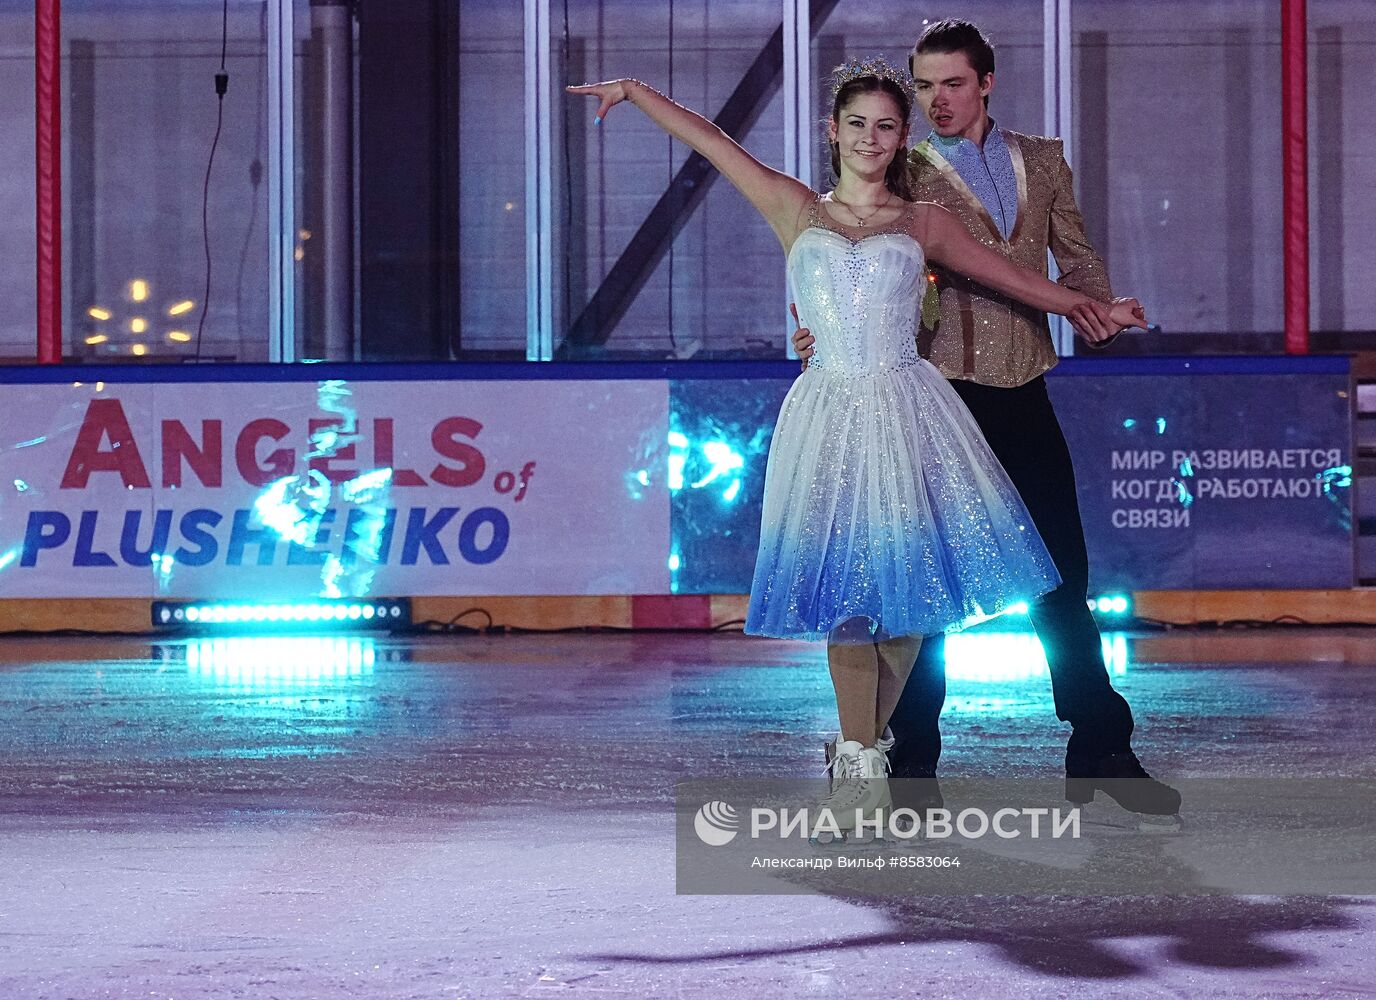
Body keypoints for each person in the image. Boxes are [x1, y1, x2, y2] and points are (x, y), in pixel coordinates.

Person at [568, 58, 1145, 834]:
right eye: (856, 124)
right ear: (831, 131)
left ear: (901, 136)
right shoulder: (796, 209)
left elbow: (1011, 278)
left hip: (910, 411)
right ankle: (858, 754)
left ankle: (869, 750)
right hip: (830, 416)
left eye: (884, 125)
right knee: (848, 604)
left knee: (905, 606)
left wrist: (1086, 304)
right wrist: (637, 92)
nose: (870, 138)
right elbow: (712, 143)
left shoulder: (924, 223)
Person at [792, 20, 1182, 819]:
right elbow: (852, 255)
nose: (937, 100)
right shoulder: (902, 171)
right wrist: (822, 328)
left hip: (1023, 384)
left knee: (1061, 576)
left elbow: (1073, 253)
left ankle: (1100, 745)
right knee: (923, 587)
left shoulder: (1040, 158)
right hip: (933, 392)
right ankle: (910, 764)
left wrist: (1096, 305)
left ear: (986, 83)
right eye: (924, 86)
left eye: (953, 84)